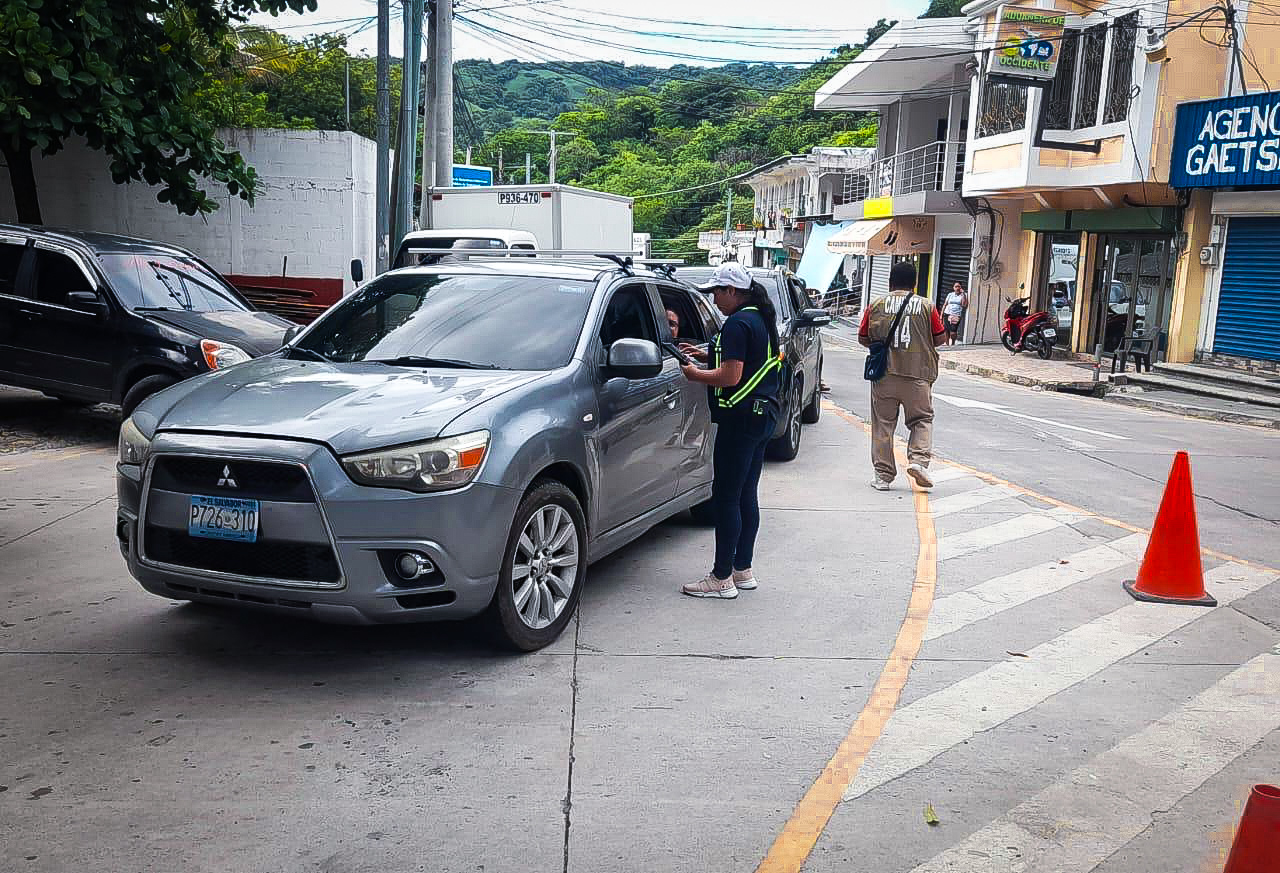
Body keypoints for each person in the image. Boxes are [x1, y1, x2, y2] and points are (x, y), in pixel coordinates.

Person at [677, 262, 782, 600]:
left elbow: (731, 376)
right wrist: (708, 353)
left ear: (732, 292)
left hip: (740, 421)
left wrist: (696, 374)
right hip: (762, 416)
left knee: (725, 498)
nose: (715, 300)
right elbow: (746, 358)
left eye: (717, 293)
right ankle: (742, 569)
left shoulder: (737, 323)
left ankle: (720, 577)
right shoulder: (758, 318)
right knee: (746, 494)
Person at [859, 261, 947, 492]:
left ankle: (883, 476)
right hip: (918, 375)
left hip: (884, 375)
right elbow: (940, 339)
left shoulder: (876, 304)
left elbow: (863, 337)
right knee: (921, 420)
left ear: (890, 282)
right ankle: (918, 462)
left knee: (883, 425)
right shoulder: (927, 306)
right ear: (915, 284)